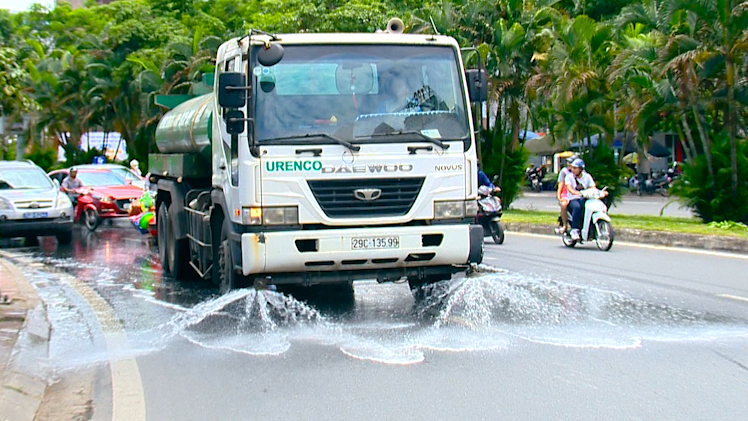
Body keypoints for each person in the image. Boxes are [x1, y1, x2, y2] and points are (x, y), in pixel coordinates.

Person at [565, 159, 606, 240]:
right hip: (573, 199)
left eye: (575, 168)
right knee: (577, 207)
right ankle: (575, 230)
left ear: (580, 169)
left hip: (585, 198)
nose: (573, 170)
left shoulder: (587, 177)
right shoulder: (569, 177)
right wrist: (575, 192)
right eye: (572, 168)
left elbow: (592, 187)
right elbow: (569, 187)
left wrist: (598, 192)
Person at [554, 155, 577, 234]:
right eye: (568, 163)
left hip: (578, 193)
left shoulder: (581, 173)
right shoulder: (564, 172)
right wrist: (559, 196)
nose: (569, 164)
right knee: (564, 205)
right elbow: (560, 185)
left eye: (571, 163)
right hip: (566, 193)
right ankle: (564, 225)